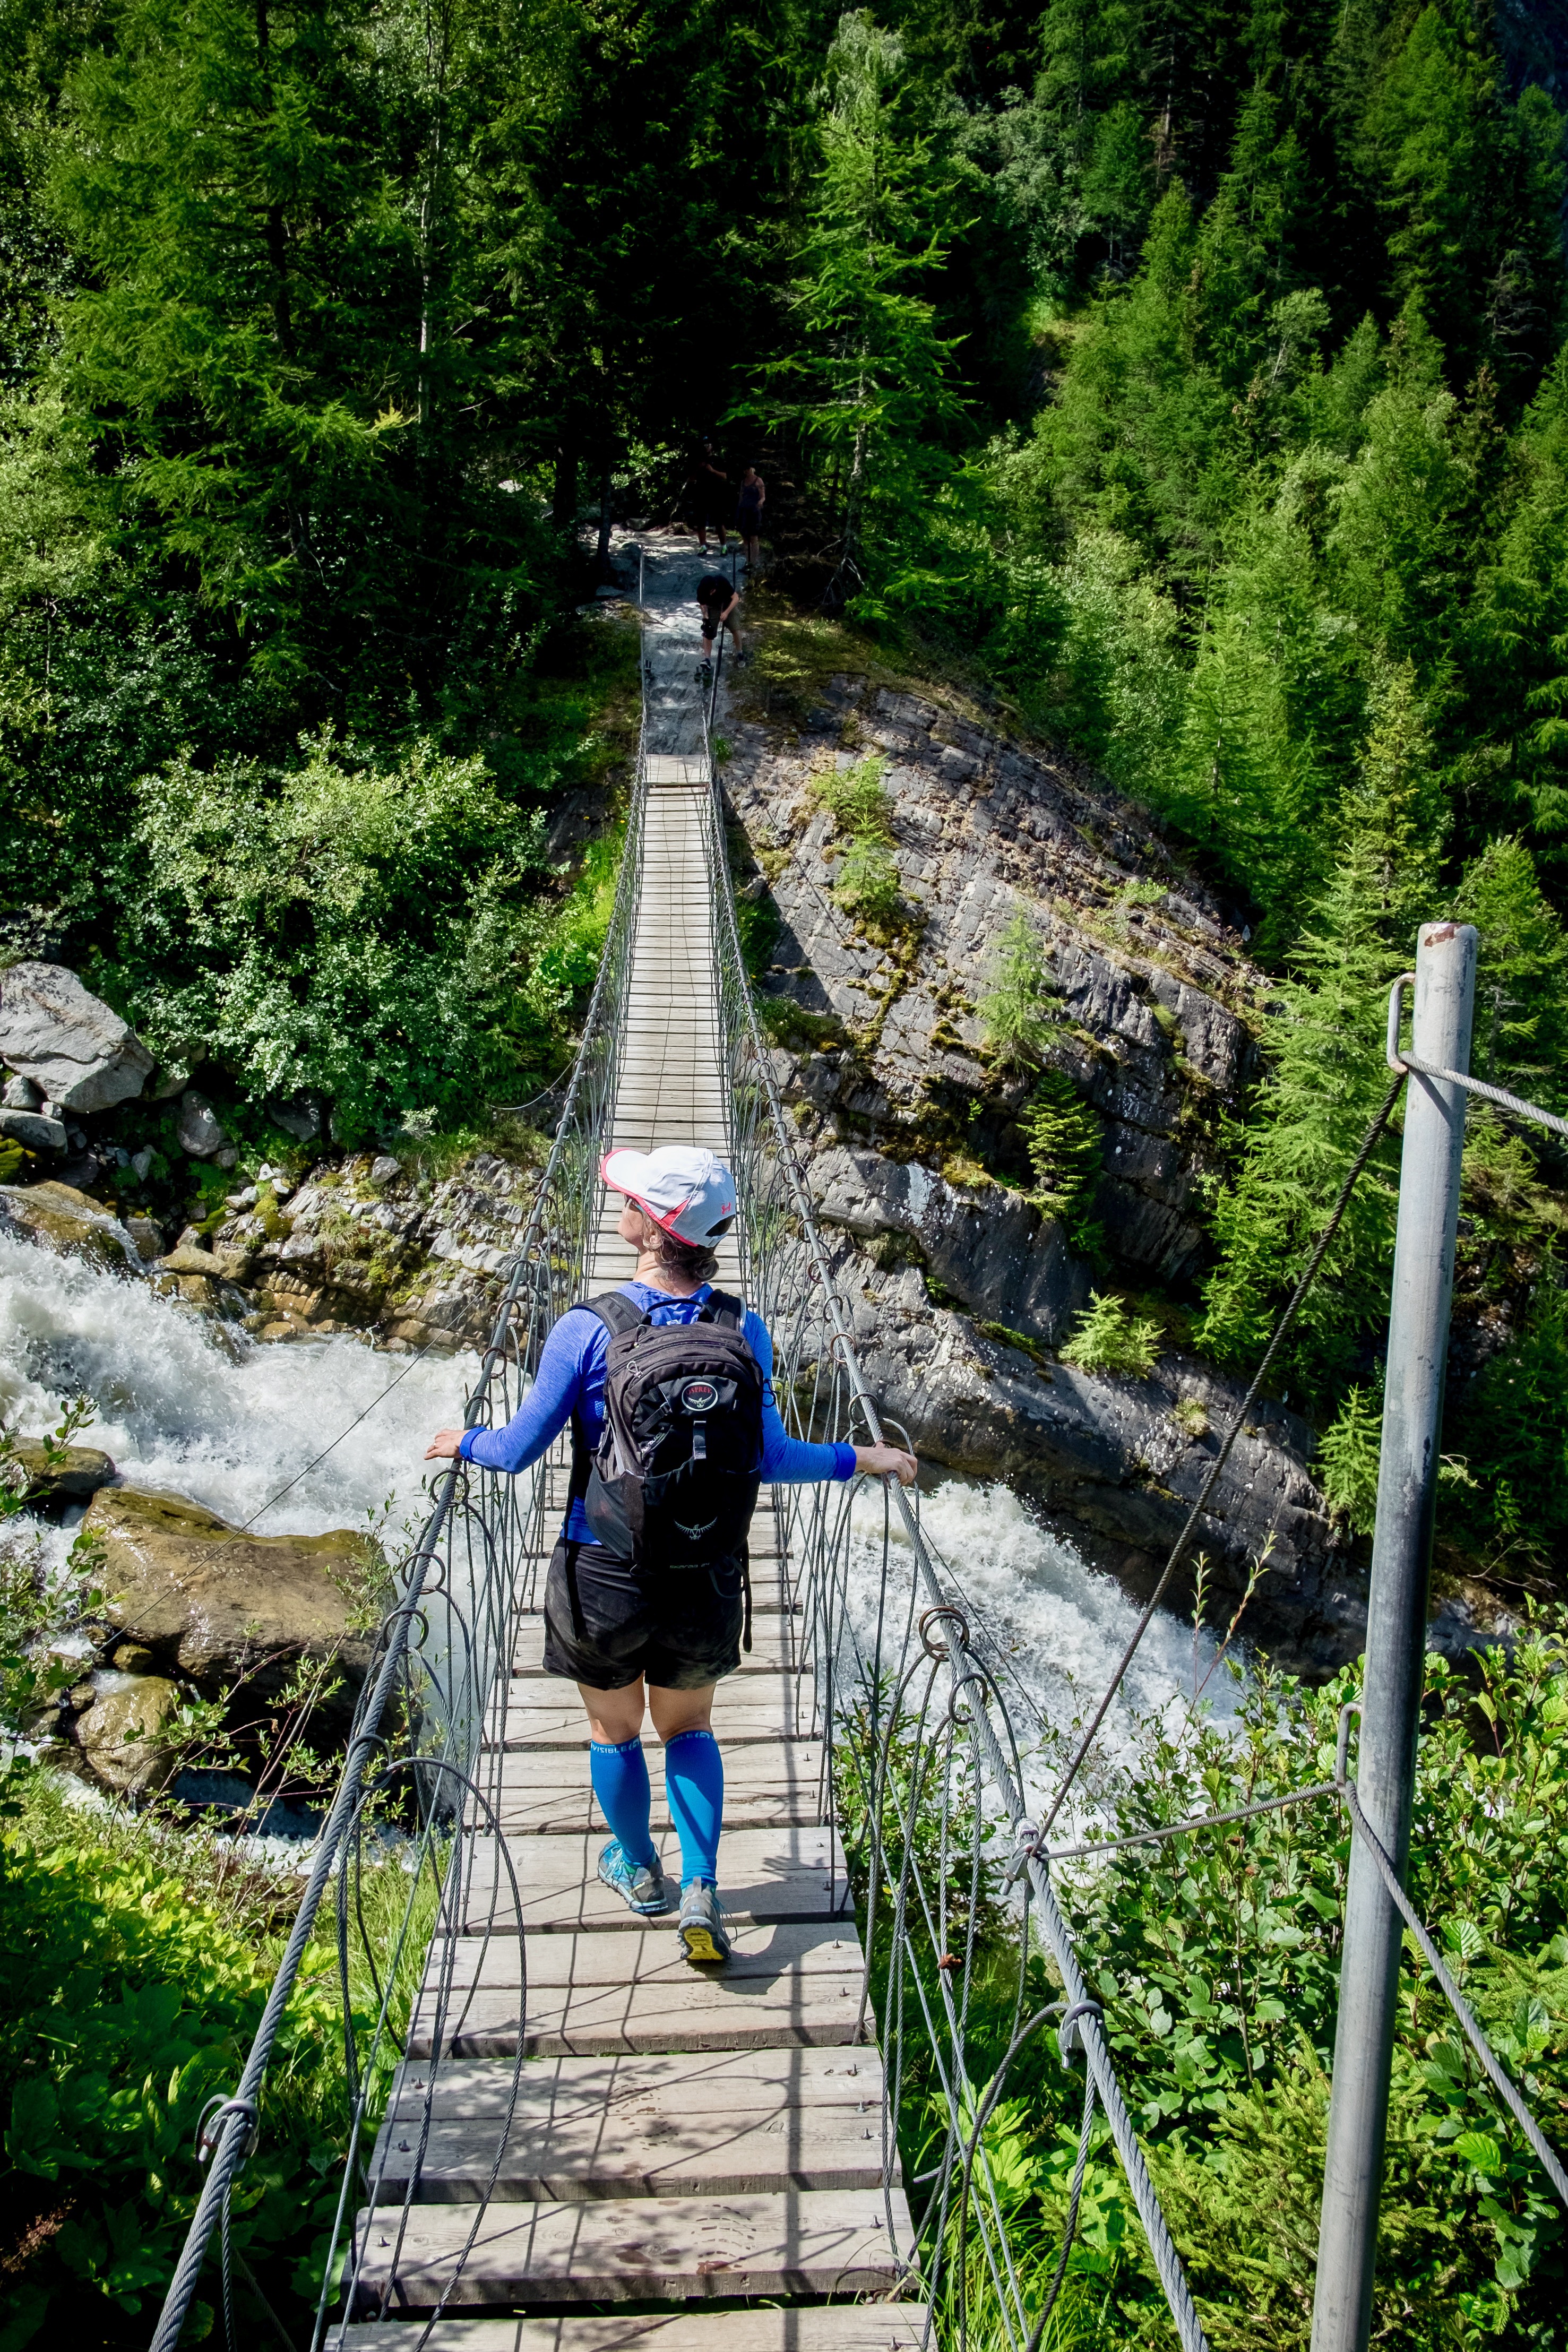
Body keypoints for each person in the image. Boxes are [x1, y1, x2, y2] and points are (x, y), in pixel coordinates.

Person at [426, 1145, 917, 1966]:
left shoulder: (587, 1327)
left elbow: (515, 1451)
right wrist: (858, 1457)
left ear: (649, 1227)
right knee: (688, 1727)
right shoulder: (741, 1326)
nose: (614, 1202)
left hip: (604, 1569)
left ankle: (639, 1868)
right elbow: (770, 1456)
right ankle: (700, 1884)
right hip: (707, 1572)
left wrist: (462, 1440)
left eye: (625, 1196)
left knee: (611, 1730)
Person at [697, 570, 742, 665]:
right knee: (708, 631)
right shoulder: (701, 590)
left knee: (735, 627)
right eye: (708, 593)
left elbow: (736, 598)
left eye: (712, 591)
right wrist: (706, 616)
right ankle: (707, 659)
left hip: (728, 603)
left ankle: (740, 653)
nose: (710, 594)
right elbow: (703, 604)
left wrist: (726, 613)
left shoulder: (722, 582)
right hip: (713, 606)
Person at [736, 464, 766, 571]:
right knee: (745, 538)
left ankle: (754, 563)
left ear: (752, 469)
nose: (747, 471)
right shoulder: (743, 482)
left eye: (748, 468)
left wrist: (760, 503)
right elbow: (741, 497)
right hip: (744, 511)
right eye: (745, 469)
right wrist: (739, 513)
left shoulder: (759, 481)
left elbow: (763, 497)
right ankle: (748, 562)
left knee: (754, 538)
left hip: (754, 512)